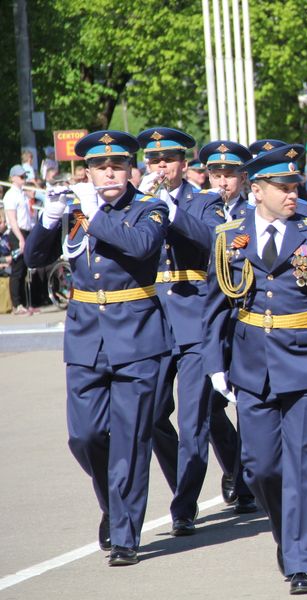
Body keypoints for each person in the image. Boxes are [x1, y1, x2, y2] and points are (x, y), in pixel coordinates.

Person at [203, 144, 307, 594]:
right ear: (258, 190)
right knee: (260, 468)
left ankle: (304, 561)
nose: (293, 194)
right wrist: (215, 364)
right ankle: (286, 537)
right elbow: (215, 308)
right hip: (251, 365)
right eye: (283, 187)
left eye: (295, 186)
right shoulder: (230, 235)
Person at [25, 130, 171, 564]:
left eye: (118, 166)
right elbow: (33, 259)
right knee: (84, 436)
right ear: (86, 172)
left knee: (130, 439)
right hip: (86, 337)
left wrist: (96, 212)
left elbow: (142, 246)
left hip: (138, 339)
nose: (109, 173)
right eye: (100, 167)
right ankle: (114, 504)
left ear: (131, 171)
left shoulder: (151, 209)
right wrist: (49, 221)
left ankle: (125, 535)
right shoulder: (76, 212)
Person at [138, 127, 226, 536]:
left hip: (195, 321)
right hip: (153, 320)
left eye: (168, 160)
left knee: (194, 421)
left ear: (183, 164)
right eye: (154, 160)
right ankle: (183, 486)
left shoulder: (205, 201)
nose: (161, 166)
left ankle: (184, 506)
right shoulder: (135, 203)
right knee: (153, 415)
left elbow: (212, 239)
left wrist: (169, 210)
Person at [197, 140, 260, 514]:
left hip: (245, 313)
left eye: (230, 175)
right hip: (211, 314)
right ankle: (234, 462)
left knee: (250, 404)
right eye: (216, 174)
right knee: (210, 404)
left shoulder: (255, 212)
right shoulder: (197, 208)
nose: (223, 182)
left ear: (243, 177)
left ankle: (244, 477)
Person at [3, 165, 37, 315]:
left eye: (24, 176)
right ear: (13, 178)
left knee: (25, 269)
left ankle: (26, 302)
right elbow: (12, 220)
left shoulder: (22, 194)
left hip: (26, 231)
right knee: (17, 269)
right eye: (21, 177)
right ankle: (17, 304)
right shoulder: (10, 195)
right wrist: (21, 238)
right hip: (17, 233)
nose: (24, 179)